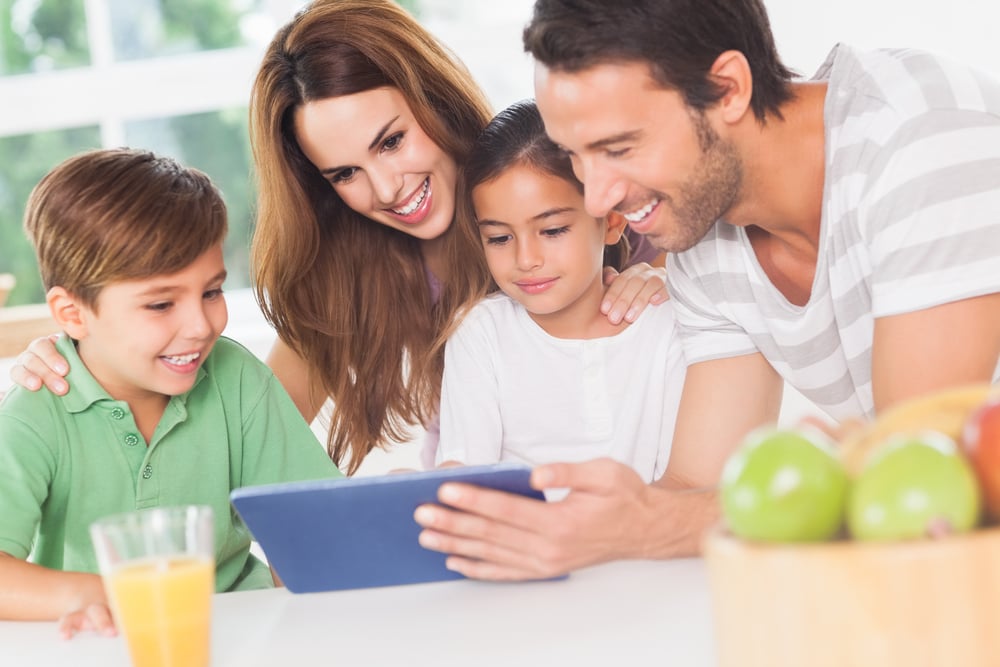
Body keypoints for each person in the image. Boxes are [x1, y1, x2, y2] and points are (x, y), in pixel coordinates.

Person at [412, 0, 1000, 580]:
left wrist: (646, 523)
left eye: (617, 148)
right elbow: (697, 489)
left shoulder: (919, 138)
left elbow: (911, 476)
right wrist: (600, 522)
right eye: (575, 156)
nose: (595, 197)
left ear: (727, 89)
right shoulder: (704, 250)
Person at [8, 0, 667, 476]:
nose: (384, 188)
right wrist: (82, 358)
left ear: (433, 97)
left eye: (392, 140)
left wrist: (664, 279)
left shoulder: (565, 189)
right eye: (346, 172)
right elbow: (239, 429)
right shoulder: (348, 279)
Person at [0, 148, 342, 636]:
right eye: (161, 304)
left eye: (211, 292)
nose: (201, 326)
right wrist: (97, 595)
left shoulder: (236, 378)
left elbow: (310, 527)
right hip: (103, 641)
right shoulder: (35, 413)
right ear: (73, 314)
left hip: (240, 636)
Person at [430, 100, 685, 482]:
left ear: (612, 221)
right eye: (499, 237)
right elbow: (466, 482)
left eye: (552, 231)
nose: (526, 258)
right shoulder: (480, 333)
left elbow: (685, 485)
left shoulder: (667, 324)